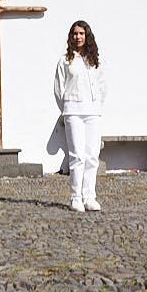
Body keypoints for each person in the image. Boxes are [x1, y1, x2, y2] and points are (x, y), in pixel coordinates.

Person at [54, 21, 106, 213]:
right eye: (75, 33)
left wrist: (97, 105)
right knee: (77, 156)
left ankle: (89, 196)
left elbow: (102, 86)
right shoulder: (65, 60)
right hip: (73, 112)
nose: (78, 37)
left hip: (92, 112)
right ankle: (76, 197)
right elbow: (59, 89)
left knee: (92, 156)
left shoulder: (94, 60)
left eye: (81, 33)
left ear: (87, 35)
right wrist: (67, 108)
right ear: (71, 36)